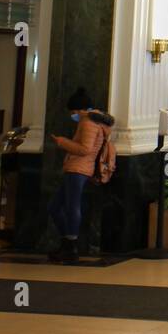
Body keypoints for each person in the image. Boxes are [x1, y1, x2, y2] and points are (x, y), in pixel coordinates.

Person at [47, 88, 115, 265]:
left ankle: (70, 245)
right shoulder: (94, 121)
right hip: (77, 168)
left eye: (73, 111)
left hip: (79, 169)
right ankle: (67, 243)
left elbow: (85, 149)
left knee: (71, 206)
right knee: (55, 206)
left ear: (79, 109)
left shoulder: (88, 123)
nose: (72, 115)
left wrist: (63, 142)